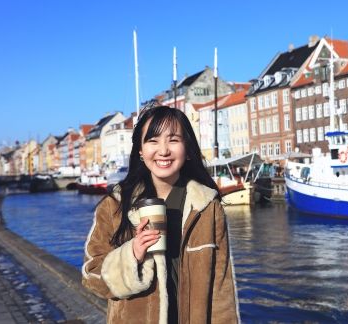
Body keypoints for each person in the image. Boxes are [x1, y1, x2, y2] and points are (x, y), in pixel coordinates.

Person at [81, 106, 239, 324]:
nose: (163, 150)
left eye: (173, 140)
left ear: (187, 147)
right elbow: (91, 276)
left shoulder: (206, 207)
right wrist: (131, 255)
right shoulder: (115, 206)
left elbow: (221, 290)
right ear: (140, 150)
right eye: (153, 141)